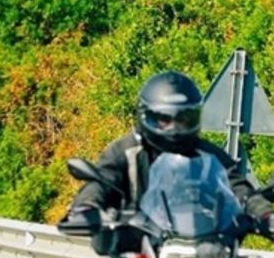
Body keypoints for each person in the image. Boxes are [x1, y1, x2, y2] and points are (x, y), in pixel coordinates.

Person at [66, 70, 272, 237]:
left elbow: (238, 187)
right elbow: (102, 182)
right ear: (147, 116)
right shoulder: (127, 151)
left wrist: (264, 213)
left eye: (183, 118)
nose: (174, 128)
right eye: (165, 119)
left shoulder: (208, 155)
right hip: (136, 250)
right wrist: (87, 207)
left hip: (203, 248)